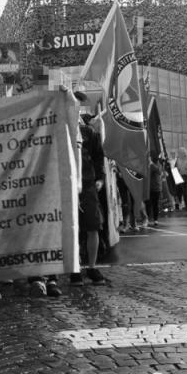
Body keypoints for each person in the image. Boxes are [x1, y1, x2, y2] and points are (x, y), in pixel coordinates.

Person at [69, 111, 107, 286]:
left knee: (93, 226)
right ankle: (74, 269)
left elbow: (99, 156)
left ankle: (92, 267)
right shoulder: (61, 131)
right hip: (68, 186)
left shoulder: (89, 132)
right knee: (71, 230)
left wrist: (100, 178)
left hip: (88, 184)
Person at [146, 154, 163, 225]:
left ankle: (155, 219)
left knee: (155, 204)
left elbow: (159, 171)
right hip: (149, 187)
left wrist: (151, 164)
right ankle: (148, 219)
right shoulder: (148, 164)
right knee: (148, 204)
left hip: (156, 187)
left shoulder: (157, 164)